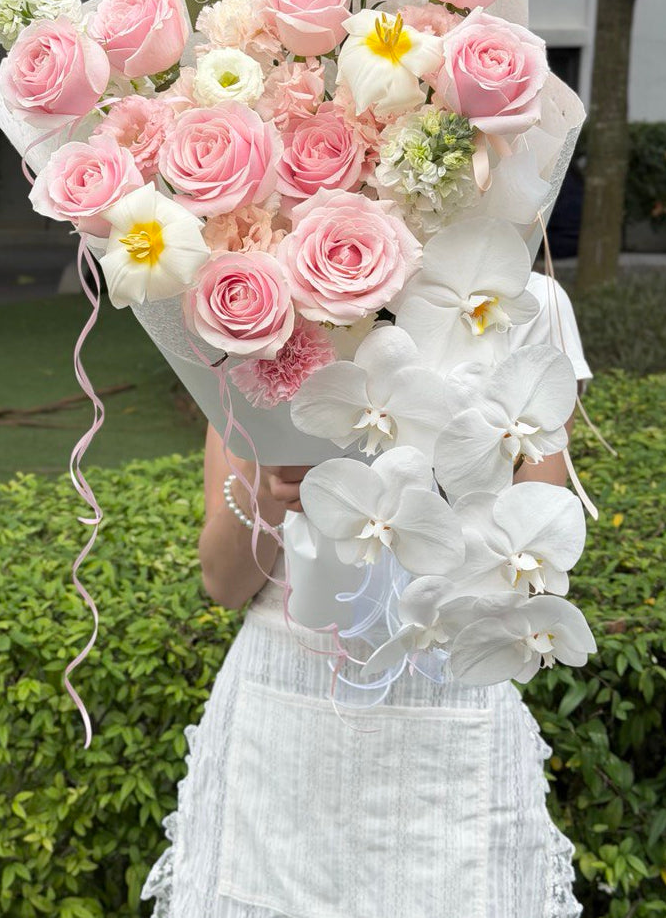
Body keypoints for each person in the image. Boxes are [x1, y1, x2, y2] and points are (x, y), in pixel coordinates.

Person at [142, 271, 591, 918]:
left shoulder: (516, 298)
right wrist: (267, 481)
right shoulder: (264, 310)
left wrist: (439, 476)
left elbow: (532, 568)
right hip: (284, 715)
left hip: (445, 701)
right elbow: (223, 580)